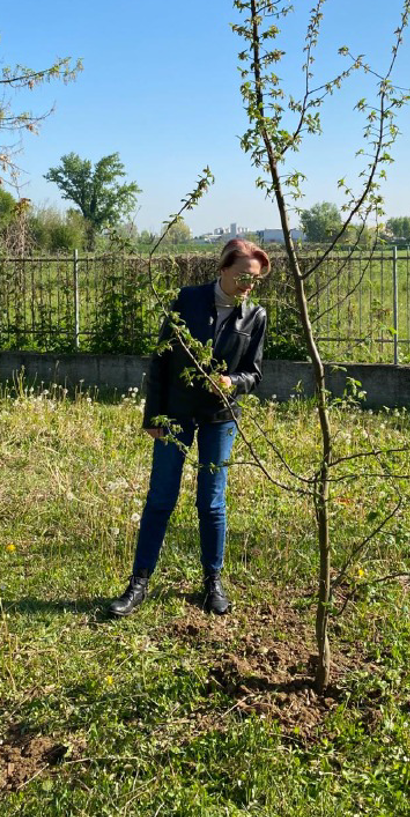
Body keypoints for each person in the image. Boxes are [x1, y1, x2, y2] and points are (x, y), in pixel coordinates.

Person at [108, 238, 269, 617]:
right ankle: (138, 582)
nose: (249, 285)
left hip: (220, 417)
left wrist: (234, 383)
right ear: (224, 269)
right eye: (244, 276)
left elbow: (255, 373)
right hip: (176, 415)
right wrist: (153, 416)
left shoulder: (255, 316)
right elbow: (161, 360)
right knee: (161, 497)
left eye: (255, 280)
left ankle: (212, 582)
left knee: (211, 502)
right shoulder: (188, 300)